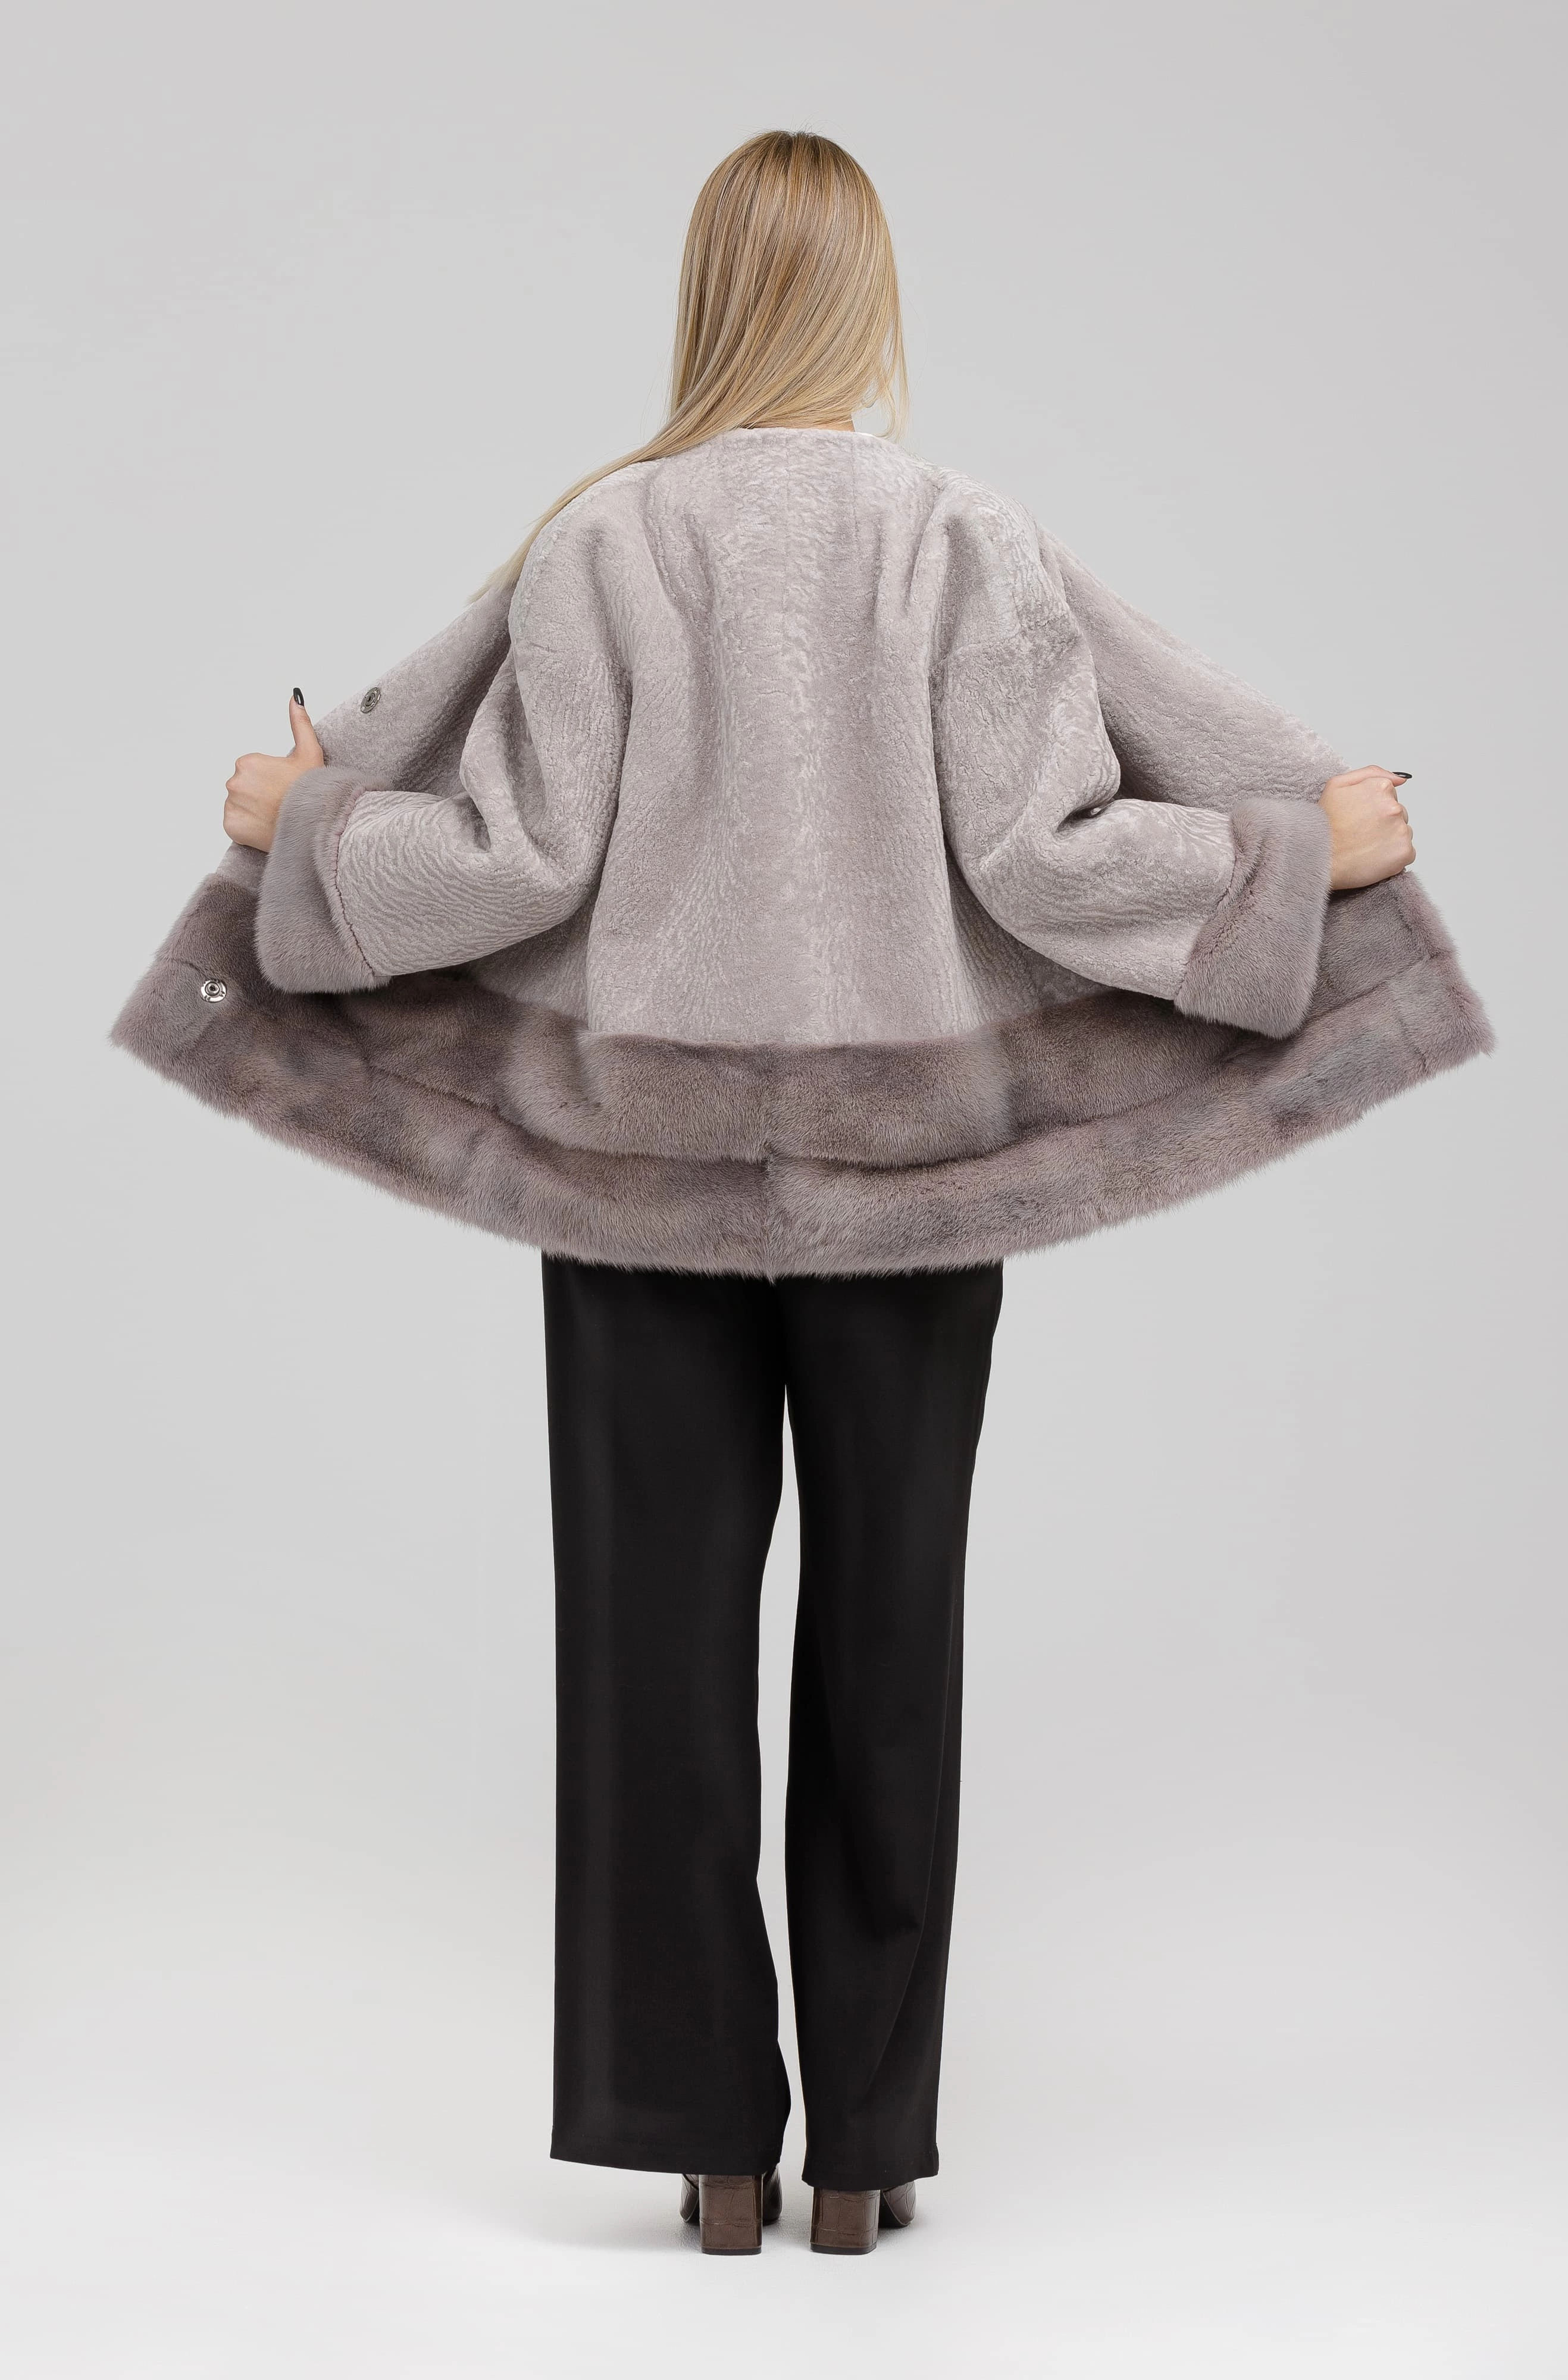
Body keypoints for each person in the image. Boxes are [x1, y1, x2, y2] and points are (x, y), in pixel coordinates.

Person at [114, 130, 1489, 2257]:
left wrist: (311, 827)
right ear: (870, 301)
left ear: (705, 293)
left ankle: (709, 2146)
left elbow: (509, 860)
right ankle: (867, 2151)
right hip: (912, 1185)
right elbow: (1050, 857)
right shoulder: (958, 540)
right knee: (890, 1637)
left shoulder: (604, 544)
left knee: (649, 1645)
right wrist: (1297, 854)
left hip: (634, 1173)